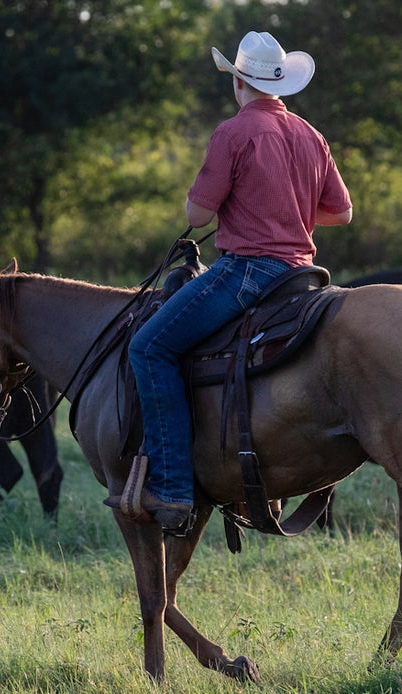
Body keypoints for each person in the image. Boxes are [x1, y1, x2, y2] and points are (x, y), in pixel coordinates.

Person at [106, 30, 353, 531]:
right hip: (303, 274)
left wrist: (241, 208)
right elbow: (341, 212)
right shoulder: (310, 134)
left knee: (149, 348)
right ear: (279, 84)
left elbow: (198, 215)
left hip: (248, 272)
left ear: (238, 81)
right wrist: (290, 212)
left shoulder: (233, 133)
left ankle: (173, 488)